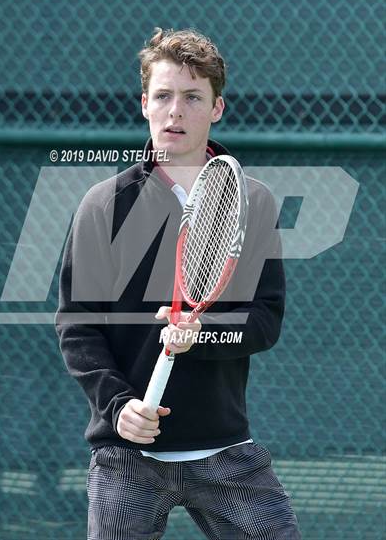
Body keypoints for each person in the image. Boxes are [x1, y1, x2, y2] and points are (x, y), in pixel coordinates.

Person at [56, 27, 301, 540]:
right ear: (144, 103)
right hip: (126, 459)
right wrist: (119, 407)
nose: (176, 111)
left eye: (193, 97)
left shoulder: (251, 203)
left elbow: (264, 321)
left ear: (217, 109)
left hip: (225, 450)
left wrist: (204, 333)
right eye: (164, 96)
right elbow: (78, 328)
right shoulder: (105, 204)